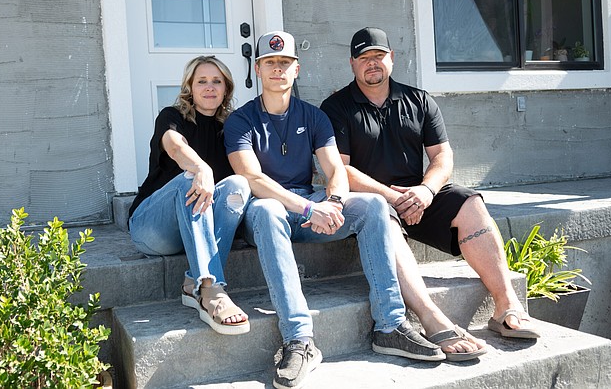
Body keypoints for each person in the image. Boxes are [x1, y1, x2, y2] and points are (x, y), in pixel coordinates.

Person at [225, 31, 445, 389]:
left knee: (373, 204)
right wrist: (310, 208)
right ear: (258, 69)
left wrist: (335, 202)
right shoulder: (240, 120)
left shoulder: (313, 116)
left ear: (297, 69)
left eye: (285, 63)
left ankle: (389, 325)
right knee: (266, 210)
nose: (278, 70)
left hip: (310, 203)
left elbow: (335, 171)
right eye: (270, 63)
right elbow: (252, 178)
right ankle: (299, 340)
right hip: (269, 211)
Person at [321, 27, 540, 359]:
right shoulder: (336, 107)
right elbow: (341, 170)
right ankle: (431, 318)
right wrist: (395, 198)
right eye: (364, 58)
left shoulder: (419, 99)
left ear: (391, 58)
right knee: (380, 214)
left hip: (419, 197)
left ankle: (506, 306)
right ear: (352, 64)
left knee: (470, 203)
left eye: (378, 56)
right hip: (371, 203)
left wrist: (425, 190)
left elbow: (442, 157)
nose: (372, 64)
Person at [128, 55, 251, 335]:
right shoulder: (172, 117)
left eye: (217, 81)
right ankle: (210, 288)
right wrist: (201, 168)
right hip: (152, 227)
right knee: (189, 179)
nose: (210, 87)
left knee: (239, 186)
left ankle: (191, 281)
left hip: (193, 228)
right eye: (202, 81)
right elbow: (174, 146)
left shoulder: (231, 128)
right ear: (190, 88)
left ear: (226, 89)